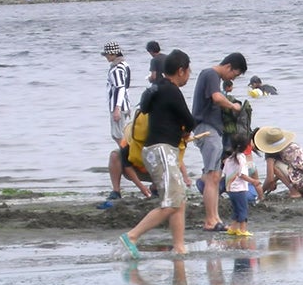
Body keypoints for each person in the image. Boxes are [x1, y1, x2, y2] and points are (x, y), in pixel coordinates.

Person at [120, 49, 197, 259]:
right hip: (162, 150)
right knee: (171, 202)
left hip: (156, 150)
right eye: (189, 71)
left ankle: (179, 247)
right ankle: (132, 236)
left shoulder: (156, 88)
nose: (189, 75)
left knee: (179, 200)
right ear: (181, 70)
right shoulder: (171, 90)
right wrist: (185, 132)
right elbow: (190, 121)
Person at [190, 52, 248, 231]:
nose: (233, 78)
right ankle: (210, 220)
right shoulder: (211, 74)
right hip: (206, 129)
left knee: (214, 176)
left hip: (212, 129)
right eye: (235, 75)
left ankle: (214, 218)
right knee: (211, 175)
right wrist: (233, 106)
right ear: (229, 66)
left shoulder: (211, 76)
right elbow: (216, 97)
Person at [97, 42, 136, 207]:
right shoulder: (125, 65)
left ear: (113, 54)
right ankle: (127, 162)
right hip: (125, 106)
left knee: (120, 139)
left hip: (119, 107)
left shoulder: (117, 69)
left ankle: (126, 164)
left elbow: (120, 88)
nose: (106, 57)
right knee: (122, 138)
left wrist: (117, 108)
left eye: (107, 55)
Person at [253, 126, 303, 198]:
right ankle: (300, 192)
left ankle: (294, 192)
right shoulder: (294, 146)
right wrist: (274, 181)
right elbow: (293, 168)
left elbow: (270, 179)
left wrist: (261, 192)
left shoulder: (271, 155)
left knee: (275, 167)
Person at [222, 126, 258, 238]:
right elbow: (242, 175)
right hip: (240, 189)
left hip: (231, 189)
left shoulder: (229, 158)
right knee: (243, 209)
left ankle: (233, 228)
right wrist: (253, 181)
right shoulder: (241, 158)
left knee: (236, 209)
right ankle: (242, 229)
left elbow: (224, 173)